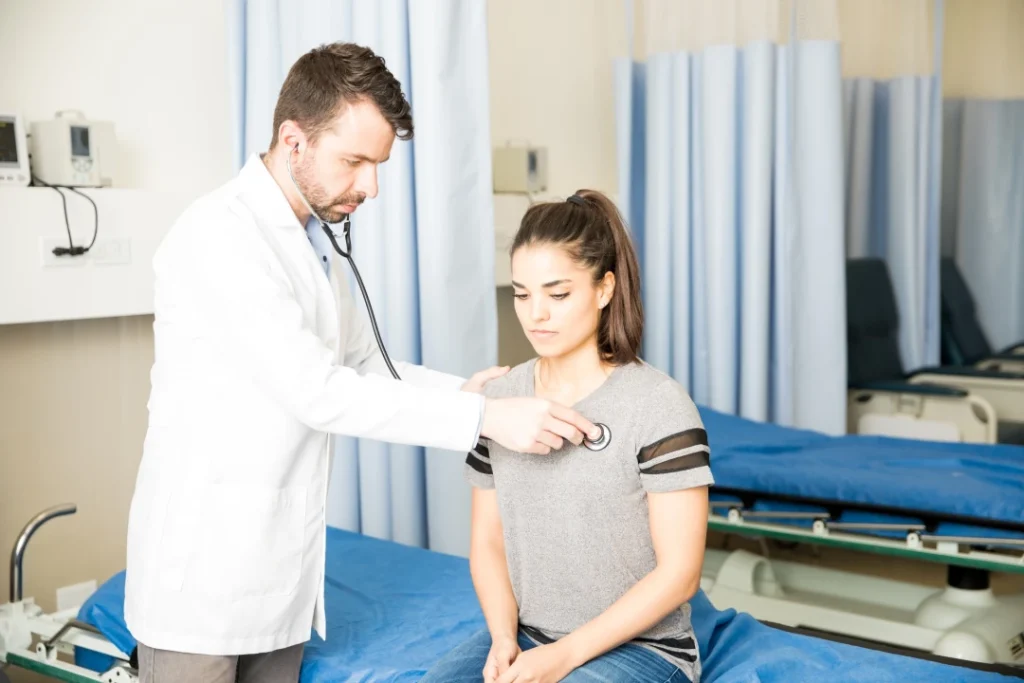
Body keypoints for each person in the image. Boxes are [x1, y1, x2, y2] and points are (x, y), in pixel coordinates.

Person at [123, 42, 599, 683]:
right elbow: (318, 391)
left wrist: (466, 392)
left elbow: (361, 365)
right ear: (294, 141)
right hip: (202, 577)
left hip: (277, 577)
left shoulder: (312, 243)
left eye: (377, 165)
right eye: (354, 162)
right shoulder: (220, 237)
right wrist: (482, 420)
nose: (370, 187)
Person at [421, 190, 713, 683]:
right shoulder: (500, 400)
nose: (536, 314)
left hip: (644, 649)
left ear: (604, 289)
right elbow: (487, 543)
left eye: (558, 295)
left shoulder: (657, 404)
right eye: (521, 293)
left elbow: (679, 575)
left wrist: (563, 657)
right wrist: (503, 638)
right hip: (529, 633)